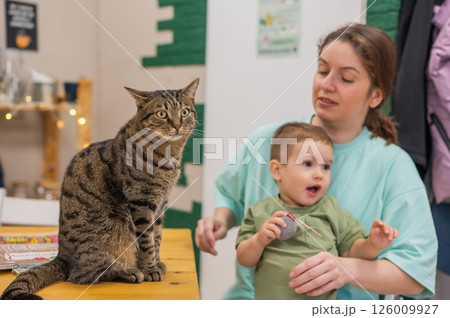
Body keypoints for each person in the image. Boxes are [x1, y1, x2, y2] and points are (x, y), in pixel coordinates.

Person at [195, 23, 438, 300]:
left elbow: (415, 275)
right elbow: (229, 194)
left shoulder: (393, 166)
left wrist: (346, 269)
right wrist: (219, 222)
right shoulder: (269, 140)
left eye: (346, 78)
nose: (326, 84)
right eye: (322, 71)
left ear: (375, 96)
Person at [236, 122, 398, 300]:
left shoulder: (331, 209)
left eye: (325, 167)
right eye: (307, 163)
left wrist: (373, 244)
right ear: (277, 171)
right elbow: (244, 259)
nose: (319, 174)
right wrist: (259, 240)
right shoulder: (260, 211)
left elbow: (352, 251)